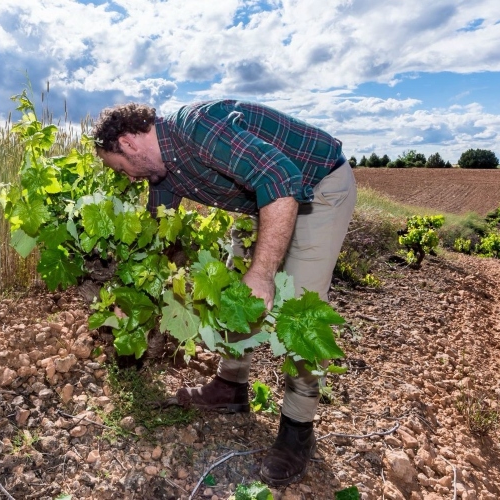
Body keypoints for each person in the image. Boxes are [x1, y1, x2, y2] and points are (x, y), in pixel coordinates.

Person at [90, 99, 356, 486]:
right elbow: (157, 240)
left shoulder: (198, 128)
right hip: (264, 198)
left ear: (129, 143)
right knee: (234, 294)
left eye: (120, 168)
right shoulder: (162, 175)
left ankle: (298, 429)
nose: (127, 177)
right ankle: (232, 386)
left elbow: (281, 179)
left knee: (301, 313)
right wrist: (136, 296)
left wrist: (263, 274)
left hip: (320, 183)